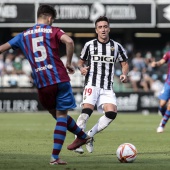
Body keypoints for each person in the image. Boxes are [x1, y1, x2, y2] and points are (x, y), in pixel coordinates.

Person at [0, 4, 91, 165]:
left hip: (42, 83)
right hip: (59, 79)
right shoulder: (53, 30)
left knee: (57, 116)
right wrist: (69, 63)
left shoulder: (23, 35)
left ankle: (83, 137)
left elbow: (2, 48)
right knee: (61, 116)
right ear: (49, 18)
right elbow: (69, 41)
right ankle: (55, 157)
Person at [74, 16, 129, 154]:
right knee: (86, 112)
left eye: (105, 26)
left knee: (111, 113)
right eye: (100, 27)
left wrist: (124, 74)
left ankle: (89, 135)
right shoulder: (89, 45)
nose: (103, 29)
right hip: (92, 84)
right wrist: (82, 69)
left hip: (107, 87)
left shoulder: (116, 46)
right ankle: (78, 142)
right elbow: (80, 63)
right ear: (96, 30)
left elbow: (124, 63)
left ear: (109, 28)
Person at [151, 51, 170, 133]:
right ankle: (165, 116)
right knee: (162, 105)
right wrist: (155, 64)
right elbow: (161, 62)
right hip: (168, 83)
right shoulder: (169, 53)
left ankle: (162, 125)